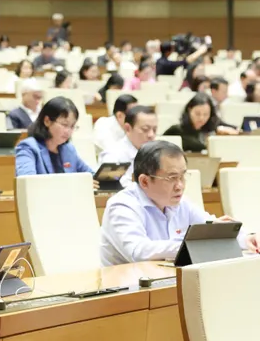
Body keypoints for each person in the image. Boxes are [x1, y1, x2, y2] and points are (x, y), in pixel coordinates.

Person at [100, 141, 258, 266]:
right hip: (125, 291)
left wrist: (246, 238)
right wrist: (191, 245)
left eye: (182, 176)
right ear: (145, 181)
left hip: (166, 280)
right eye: (172, 178)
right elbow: (138, 251)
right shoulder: (122, 205)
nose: (180, 185)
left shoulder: (180, 202)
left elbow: (210, 227)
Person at [15, 97, 94, 176]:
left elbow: (91, 175)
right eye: (64, 125)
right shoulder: (28, 147)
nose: (68, 131)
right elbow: (27, 181)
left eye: (72, 126)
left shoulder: (68, 149)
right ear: (47, 121)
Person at [98, 106, 159, 186]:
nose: (151, 135)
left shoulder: (158, 153)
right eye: (145, 129)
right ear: (127, 128)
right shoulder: (112, 155)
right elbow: (107, 189)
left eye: (154, 130)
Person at [163, 93, 238, 153]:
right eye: (197, 114)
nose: (201, 118)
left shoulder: (213, 128)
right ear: (189, 110)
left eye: (206, 114)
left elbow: (235, 129)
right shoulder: (176, 130)